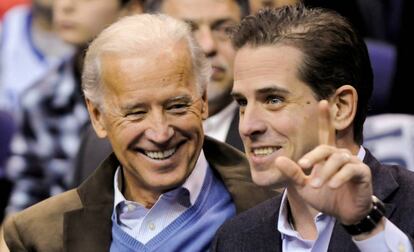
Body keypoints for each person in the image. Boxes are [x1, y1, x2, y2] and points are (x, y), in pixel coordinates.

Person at [2, 14, 275, 251]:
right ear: (97, 116)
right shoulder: (38, 235)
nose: (160, 132)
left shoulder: (278, 207)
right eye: (136, 112)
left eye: (177, 106)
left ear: (202, 101)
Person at [211, 5, 414, 251]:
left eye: (273, 99)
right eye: (242, 103)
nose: (247, 126)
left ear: (341, 107)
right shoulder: (234, 239)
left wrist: (366, 225)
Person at [71, 0, 250, 187]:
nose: (207, 46)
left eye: (224, 29)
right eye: (188, 29)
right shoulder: (96, 148)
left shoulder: (267, 136)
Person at [3, 0, 143, 214]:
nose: (64, 6)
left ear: (131, 9)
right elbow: (27, 195)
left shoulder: (155, 94)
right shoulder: (40, 98)